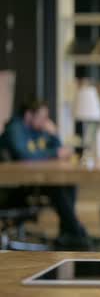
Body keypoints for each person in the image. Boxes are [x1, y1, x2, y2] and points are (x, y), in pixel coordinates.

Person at [0, 98, 91, 250]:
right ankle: (77, 234)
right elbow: (25, 155)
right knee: (56, 186)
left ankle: (69, 233)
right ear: (29, 115)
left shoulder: (37, 130)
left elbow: (60, 151)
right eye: (42, 117)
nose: (45, 121)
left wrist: (54, 134)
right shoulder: (15, 129)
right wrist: (54, 152)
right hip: (11, 189)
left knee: (67, 182)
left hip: (28, 182)